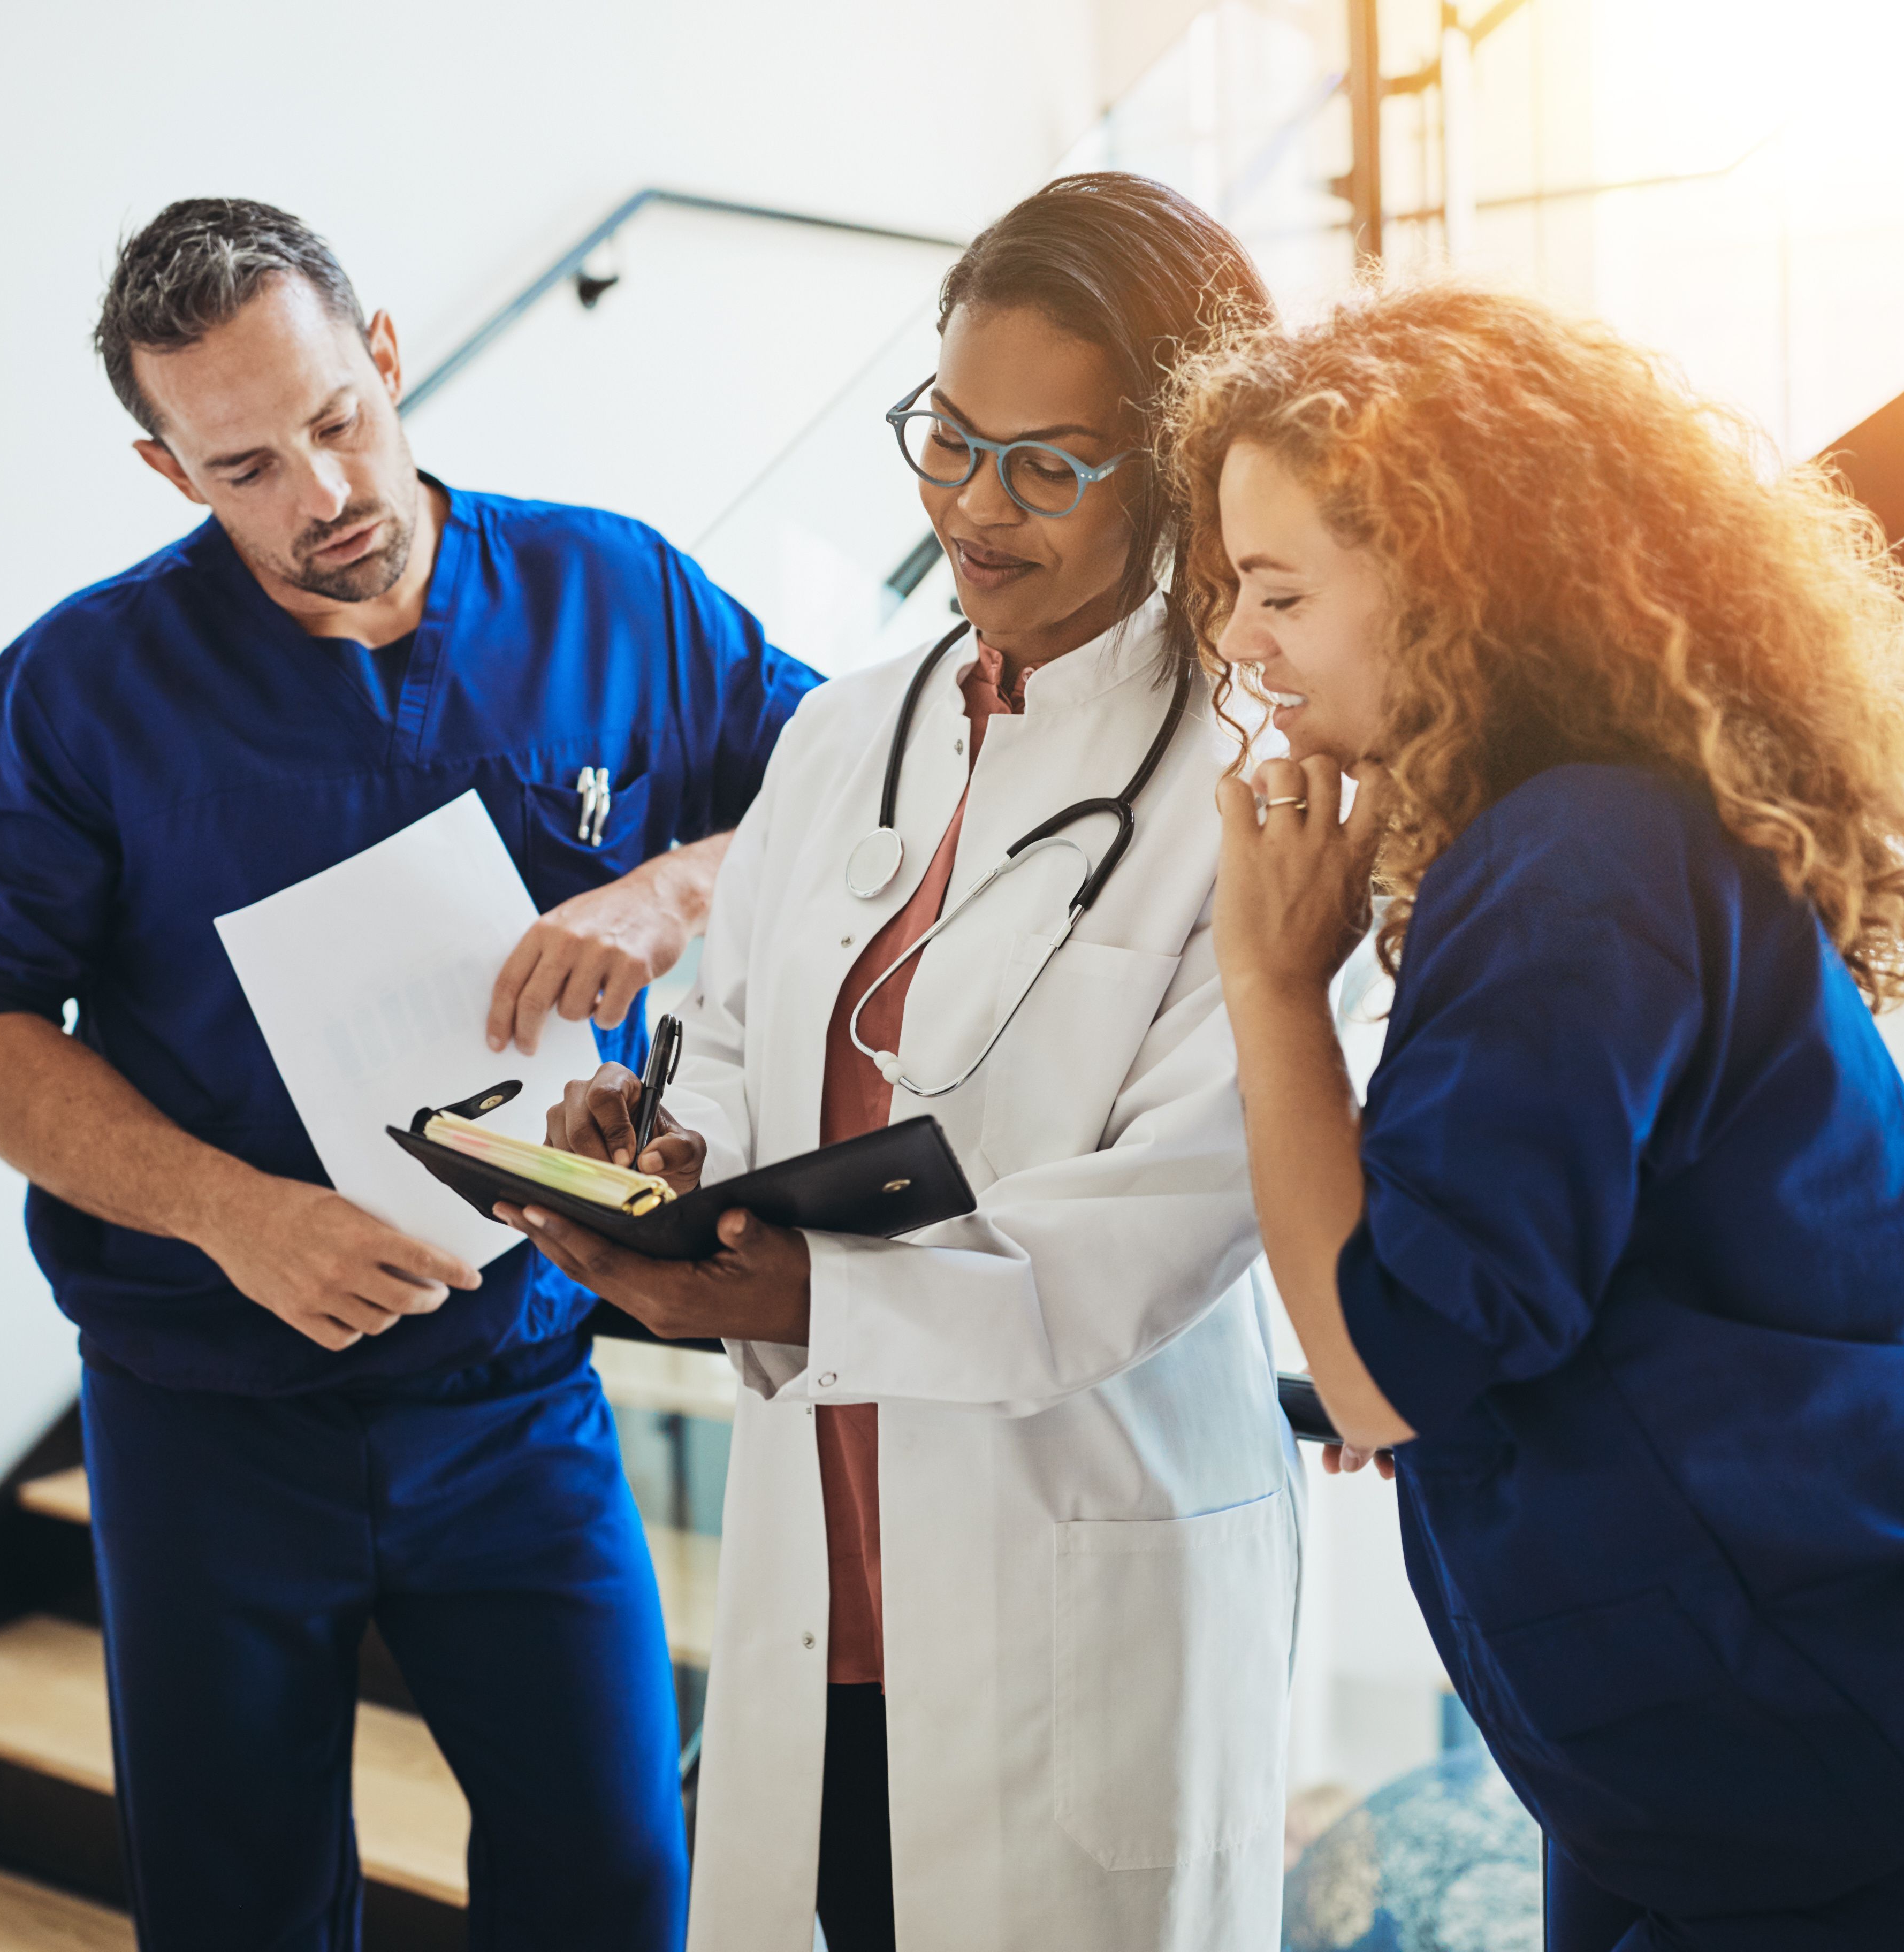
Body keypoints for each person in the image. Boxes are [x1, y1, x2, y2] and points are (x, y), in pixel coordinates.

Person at [1181, 280, 1904, 1951]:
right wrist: (1403, 1326)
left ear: (1442, 578)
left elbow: (1383, 1364)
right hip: (1711, 1773)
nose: (1240, 645)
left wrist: (1274, 986)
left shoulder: (1572, 863)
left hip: (1898, 1779)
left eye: (1277, 592)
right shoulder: (1571, 843)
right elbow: (1464, 1317)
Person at [0, 197, 817, 1950]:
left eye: (335, 422)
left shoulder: (614, 594)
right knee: (238, 1906)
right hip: (208, 1416)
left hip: (523, 1390)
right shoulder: (81, 690)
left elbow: (858, 797)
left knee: (616, 1873)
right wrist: (233, 1216)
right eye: (244, 466)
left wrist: (680, 883)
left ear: (386, 355)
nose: (319, 498)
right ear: (170, 472)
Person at [495, 174, 1295, 1952]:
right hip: (821, 1583)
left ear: (1168, 468)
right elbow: (730, 1042)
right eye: (948, 437)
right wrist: (664, 1147)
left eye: (1045, 464)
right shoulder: (853, 726)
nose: (969, 508)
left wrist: (797, 1295)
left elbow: (1169, 1223)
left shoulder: (1250, 780)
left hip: (1075, 1581)